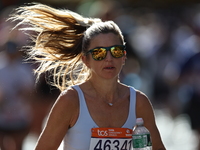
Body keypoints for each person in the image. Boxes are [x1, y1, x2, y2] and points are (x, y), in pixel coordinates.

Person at [10, 3, 166, 150]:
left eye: (116, 51)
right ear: (85, 60)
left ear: (124, 56)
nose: (109, 58)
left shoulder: (138, 102)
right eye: (99, 53)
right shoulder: (71, 101)